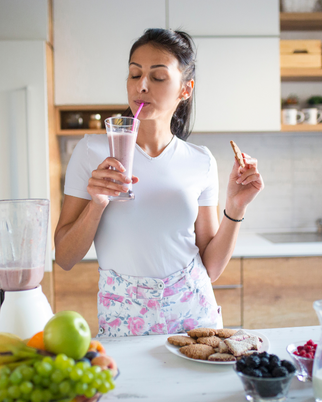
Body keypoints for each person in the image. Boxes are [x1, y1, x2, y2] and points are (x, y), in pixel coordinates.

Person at [55, 28, 264, 337]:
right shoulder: (91, 152)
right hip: (124, 316)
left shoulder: (201, 160)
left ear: (185, 89)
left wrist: (235, 207)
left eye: (157, 77)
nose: (141, 85)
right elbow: (64, 258)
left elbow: (213, 268)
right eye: (134, 74)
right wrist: (96, 204)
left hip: (194, 314)